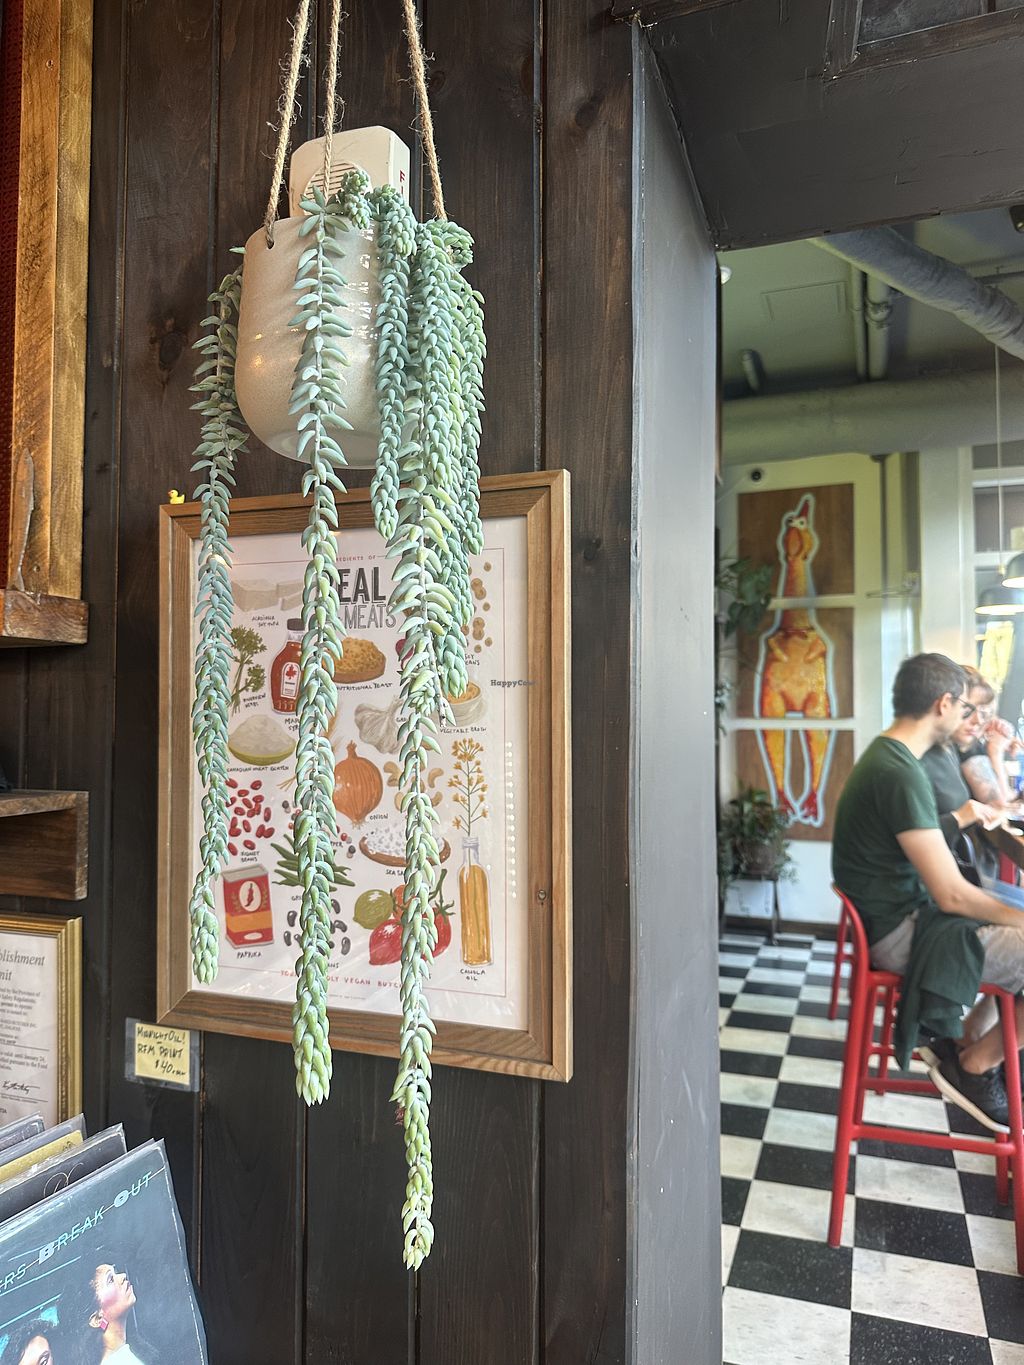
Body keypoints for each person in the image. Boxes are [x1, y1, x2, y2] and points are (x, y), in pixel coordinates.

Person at [833, 652, 1024, 1132]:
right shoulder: (898, 771)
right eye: (965, 707)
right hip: (901, 933)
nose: (968, 718)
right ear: (944, 704)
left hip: (901, 918)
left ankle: (970, 1038)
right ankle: (976, 1066)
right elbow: (952, 896)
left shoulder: (890, 758)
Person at [920, 664, 1024, 906]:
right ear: (945, 705)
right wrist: (995, 753)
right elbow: (1000, 803)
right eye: (968, 710)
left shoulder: (954, 749)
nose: (977, 721)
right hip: (943, 887)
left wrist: (996, 750)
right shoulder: (929, 757)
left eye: (984, 713)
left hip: (960, 874)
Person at [59, 1261, 147, 1365]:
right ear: (97, 1319)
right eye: (111, 1280)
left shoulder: (128, 1351)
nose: (123, 1276)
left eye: (116, 1272)